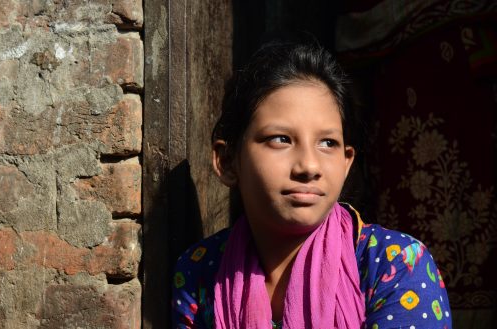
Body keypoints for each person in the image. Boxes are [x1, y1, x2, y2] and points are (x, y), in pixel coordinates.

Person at [171, 43, 452, 329]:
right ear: (229, 161)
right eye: (280, 139)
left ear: (346, 163)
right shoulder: (202, 270)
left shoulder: (394, 263)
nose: (309, 166)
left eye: (328, 143)